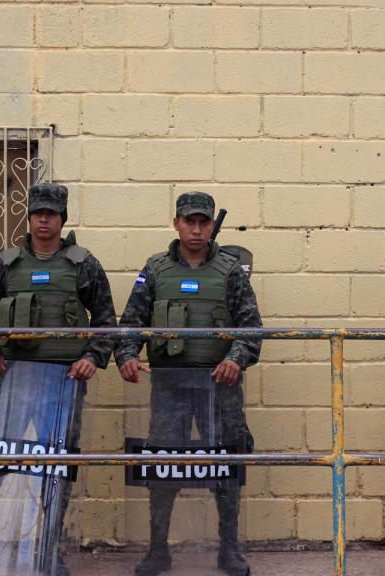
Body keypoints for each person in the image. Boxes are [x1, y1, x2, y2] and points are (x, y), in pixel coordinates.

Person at [0, 182, 117, 575]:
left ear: (62, 219)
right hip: (16, 380)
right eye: (38, 212)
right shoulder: (5, 264)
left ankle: (51, 549)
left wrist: (92, 357)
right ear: (30, 216)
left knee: (58, 467)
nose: (44, 220)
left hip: (63, 382)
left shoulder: (83, 264)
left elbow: (106, 323)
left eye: (51, 214)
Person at [116, 191, 261, 576]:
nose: (196, 230)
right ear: (176, 223)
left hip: (219, 388)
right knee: (164, 467)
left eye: (204, 223)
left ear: (212, 226)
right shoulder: (156, 269)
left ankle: (228, 549)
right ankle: (158, 549)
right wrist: (127, 355)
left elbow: (252, 330)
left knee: (225, 467)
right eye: (189, 222)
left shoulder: (231, 271)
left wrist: (235, 359)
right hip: (170, 386)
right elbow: (131, 321)